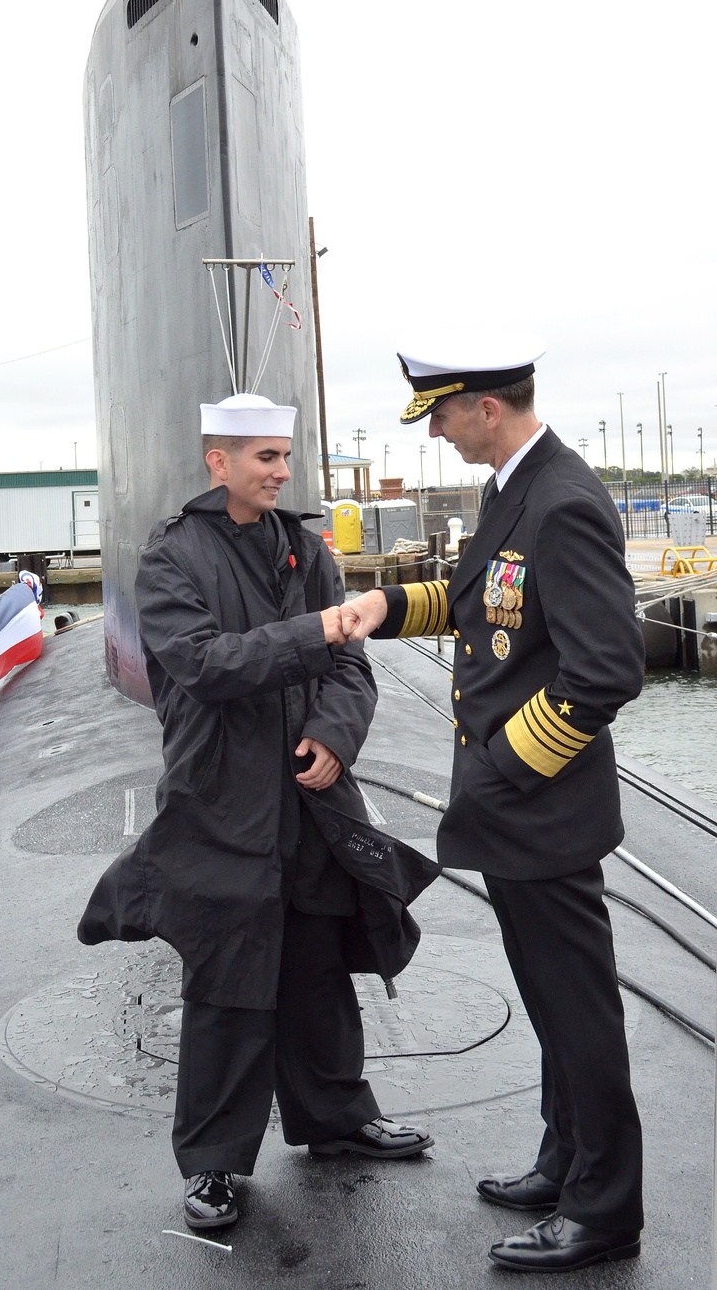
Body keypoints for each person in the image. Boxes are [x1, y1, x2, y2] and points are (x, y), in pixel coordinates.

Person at [78, 392, 437, 1232]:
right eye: (265, 457)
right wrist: (315, 630)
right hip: (222, 798)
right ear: (219, 462)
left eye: (284, 455)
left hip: (309, 798)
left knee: (315, 963)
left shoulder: (307, 549)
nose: (282, 471)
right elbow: (206, 664)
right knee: (229, 977)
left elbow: (351, 669)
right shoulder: (174, 559)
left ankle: (339, 1118)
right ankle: (212, 1162)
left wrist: (334, 735)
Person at [341, 342, 645, 1274]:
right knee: (554, 1006)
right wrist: (385, 606)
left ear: (482, 406)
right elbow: (486, 609)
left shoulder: (562, 502)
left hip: (541, 812)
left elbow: (608, 670)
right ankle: (565, 1158)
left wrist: (508, 762)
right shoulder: (514, 489)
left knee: (579, 1010)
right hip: (518, 816)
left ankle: (605, 1207)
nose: (433, 429)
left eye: (439, 412)